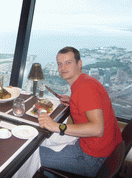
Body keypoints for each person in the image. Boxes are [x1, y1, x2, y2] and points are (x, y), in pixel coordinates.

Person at [38, 46, 122, 177]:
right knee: (46, 145)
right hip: (106, 149)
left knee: (33, 157)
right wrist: (73, 101)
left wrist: (56, 126)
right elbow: (90, 105)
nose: (63, 67)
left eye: (68, 62)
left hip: (92, 158)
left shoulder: (85, 89)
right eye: (59, 64)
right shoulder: (85, 82)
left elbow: (97, 129)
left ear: (79, 63)